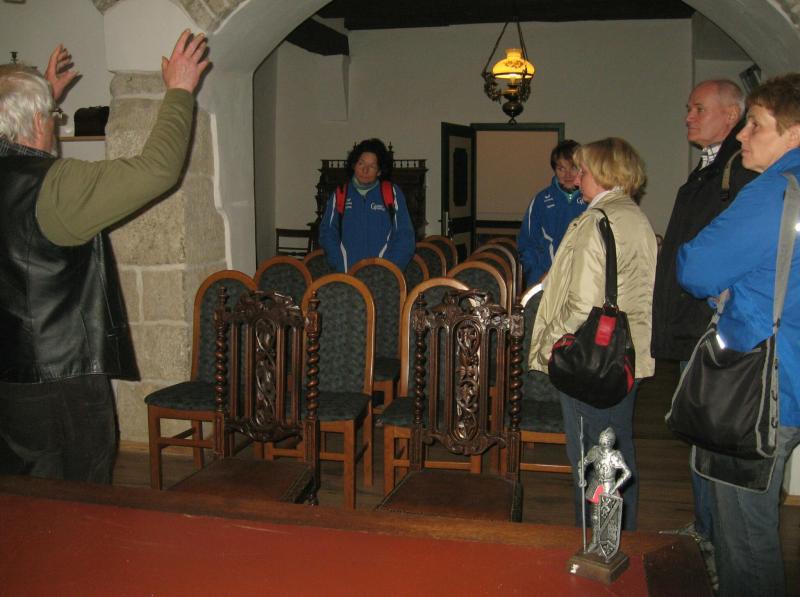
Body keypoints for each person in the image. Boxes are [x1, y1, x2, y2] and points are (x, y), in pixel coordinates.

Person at [0, 30, 210, 483]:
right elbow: (158, 169)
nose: (55, 124)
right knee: (80, 492)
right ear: (37, 120)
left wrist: (39, 99)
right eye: (52, 116)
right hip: (59, 380)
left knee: (19, 487)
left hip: (9, 376)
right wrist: (179, 91)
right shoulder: (56, 186)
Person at [677, 73, 800, 597]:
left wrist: (726, 290)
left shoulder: (774, 191)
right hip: (791, 375)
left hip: (760, 385)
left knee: (745, 539)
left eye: (756, 125)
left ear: (794, 132)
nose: (744, 136)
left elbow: (695, 267)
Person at [652, 80, 758, 557]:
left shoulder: (741, 171)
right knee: (700, 436)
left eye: (698, 108)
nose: (688, 117)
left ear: (731, 115)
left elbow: (726, 255)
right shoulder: (714, 166)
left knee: (710, 438)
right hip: (695, 322)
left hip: (710, 326)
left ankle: (714, 542)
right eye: (688, 108)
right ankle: (706, 529)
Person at [528, 138, 656, 531]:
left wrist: (551, 346)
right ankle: (621, 538)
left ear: (603, 173)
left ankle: (596, 543)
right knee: (618, 450)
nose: (576, 177)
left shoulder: (595, 220)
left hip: (592, 357)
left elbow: (580, 305)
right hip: (626, 352)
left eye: (583, 170)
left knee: (592, 459)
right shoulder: (635, 216)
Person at [318, 138, 415, 273]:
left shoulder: (392, 193)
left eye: (372, 166)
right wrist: (340, 264)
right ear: (354, 165)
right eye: (361, 163)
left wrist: (389, 270)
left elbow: (405, 237)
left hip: (383, 276)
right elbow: (327, 233)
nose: (365, 170)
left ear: (379, 171)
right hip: (347, 275)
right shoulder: (340, 194)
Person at [517, 139, 586, 288]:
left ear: (582, 169)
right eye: (561, 169)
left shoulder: (592, 200)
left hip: (582, 282)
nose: (568, 174)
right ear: (554, 170)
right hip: (545, 280)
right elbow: (526, 244)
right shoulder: (541, 200)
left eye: (573, 168)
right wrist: (536, 276)